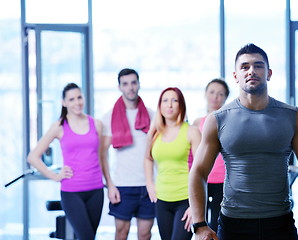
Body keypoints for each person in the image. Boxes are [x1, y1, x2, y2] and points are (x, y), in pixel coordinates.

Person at [188, 43, 298, 240]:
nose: (251, 71)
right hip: (233, 224)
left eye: (258, 65)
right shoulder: (218, 119)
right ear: (235, 75)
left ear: (269, 73)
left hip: (280, 222)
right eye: (244, 67)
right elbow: (199, 172)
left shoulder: (292, 116)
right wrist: (200, 225)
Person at [27, 83, 104, 240]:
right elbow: (33, 157)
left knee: (89, 236)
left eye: (79, 97)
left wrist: (109, 183)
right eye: (71, 99)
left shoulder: (96, 124)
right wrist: (55, 176)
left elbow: (101, 156)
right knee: (86, 238)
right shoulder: (59, 127)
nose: (77, 103)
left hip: (96, 190)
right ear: (64, 102)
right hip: (72, 192)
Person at [100, 68, 155, 240]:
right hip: (123, 185)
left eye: (133, 83)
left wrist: (157, 183)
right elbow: (103, 153)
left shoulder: (152, 115)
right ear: (119, 87)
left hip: (148, 186)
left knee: (145, 234)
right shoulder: (109, 116)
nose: (130, 87)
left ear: (139, 84)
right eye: (125, 84)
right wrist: (110, 185)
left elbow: (158, 151)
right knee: (121, 233)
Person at [144, 87, 201, 240]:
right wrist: (149, 183)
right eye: (165, 101)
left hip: (185, 199)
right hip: (161, 200)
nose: (169, 105)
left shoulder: (192, 132)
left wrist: (195, 205)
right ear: (160, 106)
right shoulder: (154, 132)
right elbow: (148, 158)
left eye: (174, 100)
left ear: (181, 105)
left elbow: (201, 170)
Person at [191, 78, 229, 233]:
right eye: (212, 92)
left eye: (220, 94)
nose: (215, 97)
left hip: (223, 180)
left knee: (216, 225)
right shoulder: (197, 122)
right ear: (205, 94)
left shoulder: (228, 120)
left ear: (225, 97)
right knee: (200, 225)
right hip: (203, 179)